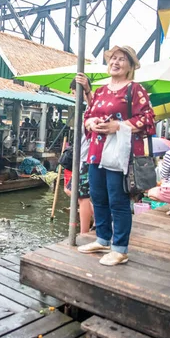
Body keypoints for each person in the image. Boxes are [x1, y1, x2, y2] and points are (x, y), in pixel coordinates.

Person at [76, 45, 155, 266]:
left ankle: (120, 248)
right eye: (112, 58)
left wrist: (118, 126)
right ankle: (102, 239)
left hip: (121, 155)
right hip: (97, 153)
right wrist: (91, 122)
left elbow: (148, 119)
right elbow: (89, 115)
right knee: (97, 196)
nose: (115, 62)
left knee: (117, 200)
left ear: (130, 66)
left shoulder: (135, 89)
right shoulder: (100, 91)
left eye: (121, 59)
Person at [64, 79, 93, 234]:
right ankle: (101, 218)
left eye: (74, 92)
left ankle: (84, 233)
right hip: (82, 157)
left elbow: (93, 103)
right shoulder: (84, 111)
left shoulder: (91, 107)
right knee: (71, 191)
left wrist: (87, 91)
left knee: (82, 197)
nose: (73, 95)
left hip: (87, 158)